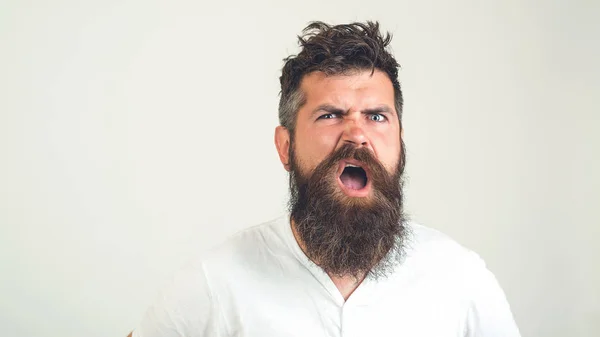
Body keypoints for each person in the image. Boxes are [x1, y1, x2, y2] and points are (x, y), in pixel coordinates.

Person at [130, 21, 521, 337]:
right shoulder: (216, 282)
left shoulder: (460, 278)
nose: (356, 133)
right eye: (330, 114)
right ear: (286, 147)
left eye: (377, 116)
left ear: (400, 144)